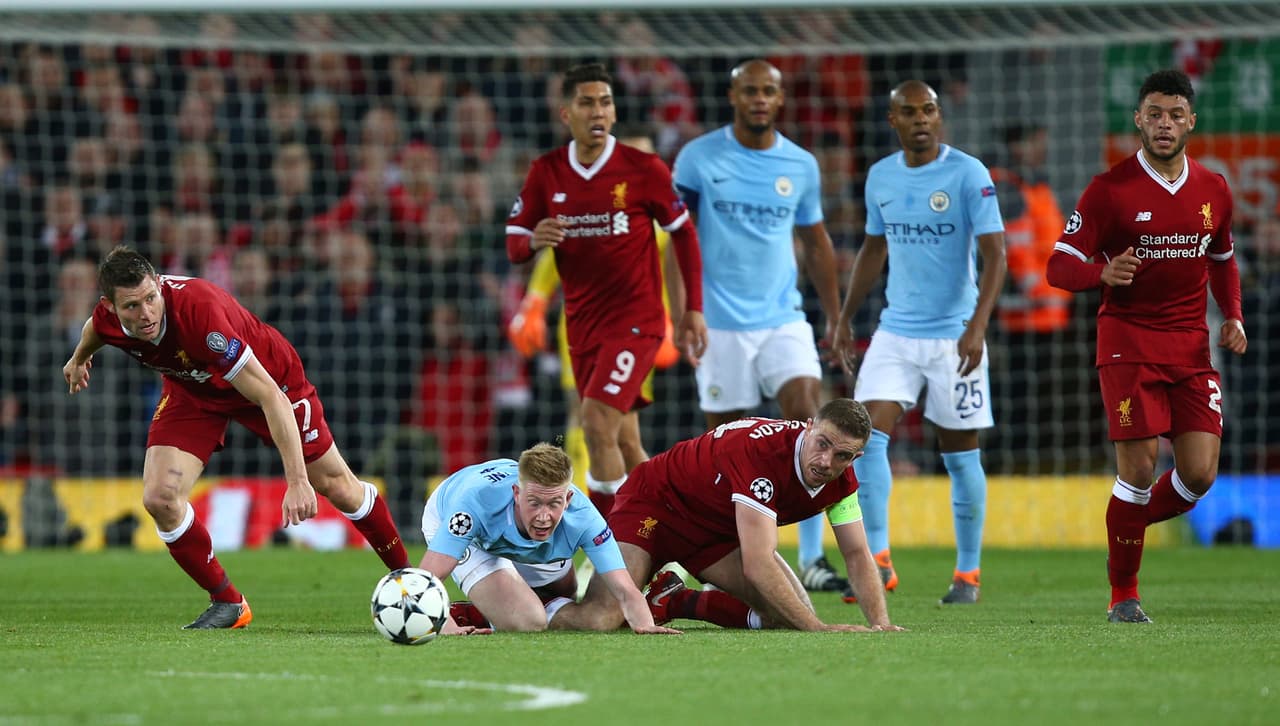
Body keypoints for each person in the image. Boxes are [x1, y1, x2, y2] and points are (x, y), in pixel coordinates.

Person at [63, 246, 411, 629]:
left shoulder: (201, 315)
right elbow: (95, 330)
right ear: (110, 306)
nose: (145, 314)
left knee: (337, 486)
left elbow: (270, 397)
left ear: (159, 285)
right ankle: (228, 603)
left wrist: (296, 481)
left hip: (270, 382)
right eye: (131, 306)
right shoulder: (107, 319)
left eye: (150, 298)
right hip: (192, 390)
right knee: (160, 499)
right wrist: (78, 359)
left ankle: (412, 580)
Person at [1046, 69, 1247, 624]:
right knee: (1137, 470)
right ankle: (1123, 595)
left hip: (1190, 348)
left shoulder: (1215, 189)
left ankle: (1124, 525)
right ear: (1138, 118)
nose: (1164, 125)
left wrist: (1233, 317)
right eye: (1154, 114)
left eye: (1175, 115)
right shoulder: (1109, 189)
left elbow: (1223, 261)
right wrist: (1101, 275)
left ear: (1192, 122)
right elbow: (1058, 265)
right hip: (1127, 346)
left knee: (1199, 476)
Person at [671, 58, 848, 594]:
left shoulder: (800, 164)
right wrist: (684, 310)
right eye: (749, 91)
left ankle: (813, 557)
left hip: (782, 318)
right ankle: (724, 558)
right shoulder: (698, 158)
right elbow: (679, 239)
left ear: (779, 99)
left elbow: (816, 242)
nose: (759, 100)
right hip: (720, 323)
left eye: (768, 92)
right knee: (724, 445)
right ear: (733, 96)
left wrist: (835, 314)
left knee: (808, 415)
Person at [505, 62, 708, 515]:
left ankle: (610, 548)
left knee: (595, 423)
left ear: (614, 111)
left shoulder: (645, 169)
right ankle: (670, 531)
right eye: (587, 102)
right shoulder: (548, 172)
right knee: (624, 438)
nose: (598, 111)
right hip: (581, 327)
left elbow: (683, 234)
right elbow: (515, 239)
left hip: (636, 325)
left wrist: (689, 311)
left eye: (606, 101)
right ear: (566, 113)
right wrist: (531, 245)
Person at [832, 80, 1007, 605]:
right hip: (896, 332)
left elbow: (996, 256)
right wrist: (844, 316)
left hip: (954, 335)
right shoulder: (881, 176)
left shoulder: (967, 173)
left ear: (939, 117)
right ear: (893, 121)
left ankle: (968, 573)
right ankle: (879, 559)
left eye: (929, 110)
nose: (921, 120)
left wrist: (976, 326)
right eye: (909, 113)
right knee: (862, 437)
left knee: (960, 455)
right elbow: (872, 247)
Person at [546, 398, 904, 632]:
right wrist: (818, 628)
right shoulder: (762, 455)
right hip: (655, 503)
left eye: (841, 455)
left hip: (711, 531)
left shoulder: (840, 482)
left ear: (855, 459)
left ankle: (672, 600)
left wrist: (881, 623)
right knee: (601, 619)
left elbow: (856, 553)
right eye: (822, 444)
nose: (826, 462)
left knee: (784, 613)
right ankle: (527, 604)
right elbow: (758, 563)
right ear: (808, 427)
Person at [417, 442, 678, 635]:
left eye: (554, 503)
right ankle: (465, 611)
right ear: (517, 493)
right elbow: (426, 580)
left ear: (568, 499)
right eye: (534, 503)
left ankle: (498, 602)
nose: (544, 517)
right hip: (471, 534)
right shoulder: (471, 508)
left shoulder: (585, 518)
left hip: (518, 538)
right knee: (529, 621)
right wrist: (444, 626)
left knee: (565, 592)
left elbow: (624, 588)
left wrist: (646, 624)